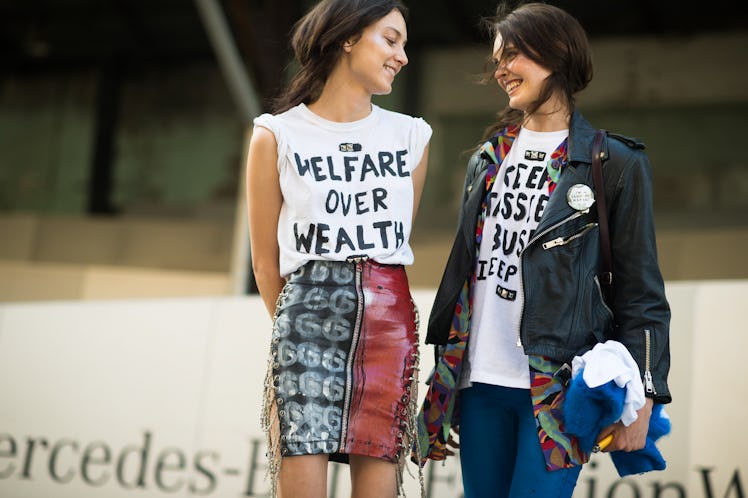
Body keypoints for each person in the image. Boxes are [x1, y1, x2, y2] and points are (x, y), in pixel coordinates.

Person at [414, 2, 671, 498]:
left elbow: (642, 292)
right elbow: (468, 281)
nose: (501, 71)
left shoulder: (612, 162)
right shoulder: (487, 160)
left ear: (556, 53)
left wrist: (646, 397)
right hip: (478, 382)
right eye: (496, 60)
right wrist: (442, 387)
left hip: (556, 386)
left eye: (512, 55)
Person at [245, 1, 431, 497]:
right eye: (391, 40)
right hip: (305, 323)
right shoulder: (276, 134)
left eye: (405, 45)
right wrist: (299, 330)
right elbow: (264, 263)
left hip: (387, 327)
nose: (402, 56)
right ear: (348, 38)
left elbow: (391, 243)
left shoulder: (411, 135)